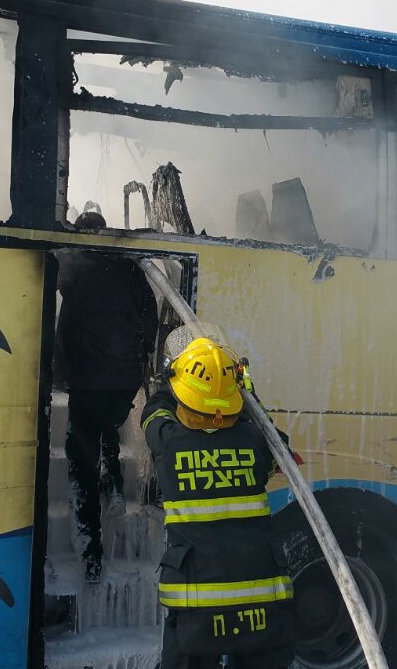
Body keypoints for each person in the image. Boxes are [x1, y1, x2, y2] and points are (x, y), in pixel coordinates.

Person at [143, 337, 295, 669]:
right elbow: (274, 440)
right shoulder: (255, 443)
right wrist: (248, 394)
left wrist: (170, 377)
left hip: (197, 608)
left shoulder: (169, 445)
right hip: (262, 604)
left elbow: (153, 411)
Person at [57, 211, 158, 583]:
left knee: (80, 456)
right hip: (122, 381)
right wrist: (141, 355)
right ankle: (113, 481)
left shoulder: (74, 268)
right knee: (107, 423)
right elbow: (150, 317)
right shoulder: (129, 270)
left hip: (87, 379)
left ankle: (92, 553)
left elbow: (56, 284)